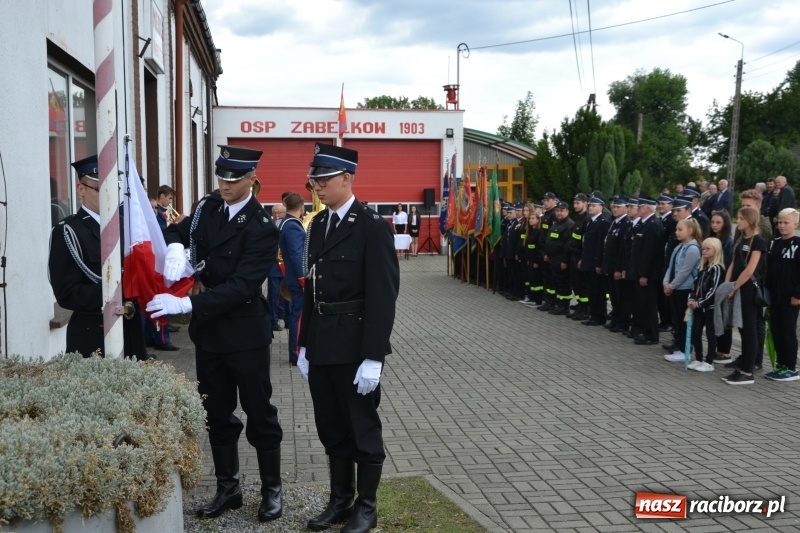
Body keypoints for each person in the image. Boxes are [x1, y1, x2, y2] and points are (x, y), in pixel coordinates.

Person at [146, 145, 284, 522]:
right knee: (217, 411)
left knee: (259, 412)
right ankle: (229, 488)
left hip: (244, 330)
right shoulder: (209, 207)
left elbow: (241, 286)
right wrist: (176, 248)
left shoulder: (261, 226)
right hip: (210, 333)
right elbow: (177, 229)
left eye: (233, 180)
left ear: (251, 180)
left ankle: (271, 489)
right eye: (221, 177)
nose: (224, 185)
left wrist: (187, 304)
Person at [297, 143, 399, 533]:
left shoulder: (371, 226)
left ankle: (366, 507)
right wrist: (304, 344)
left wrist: (374, 356)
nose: (317, 187)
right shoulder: (318, 224)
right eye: (314, 181)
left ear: (346, 178)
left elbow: (383, 296)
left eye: (323, 180)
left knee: (362, 427)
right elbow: (312, 288)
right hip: (322, 340)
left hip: (355, 345)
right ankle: (339, 501)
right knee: (331, 425)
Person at [49, 155, 149, 360]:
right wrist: (117, 290)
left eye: (112, 187)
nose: (108, 194)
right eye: (99, 188)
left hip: (130, 330)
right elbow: (67, 293)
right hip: (92, 333)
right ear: (81, 189)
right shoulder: (68, 231)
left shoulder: (125, 225)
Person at [721, 207, 767, 385]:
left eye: (741, 218)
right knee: (741, 328)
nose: (738, 221)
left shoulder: (758, 241)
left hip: (748, 290)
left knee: (749, 330)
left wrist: (734, 288)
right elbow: (733, 264)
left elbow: (749, 270)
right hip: (737, 288)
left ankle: (748, 371)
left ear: (750, 220)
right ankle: (743, 367)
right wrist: (727, 286)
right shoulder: (741, 239)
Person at [765, 208, 800, 381]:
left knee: (787, 330)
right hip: (775, 296)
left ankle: (791, 367)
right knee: (776, 330)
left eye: (786, 222)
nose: (782, 226)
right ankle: (780, 364)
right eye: (779, 222)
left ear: (795, 224)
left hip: (790, 298)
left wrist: (797, 295)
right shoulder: (775, 243)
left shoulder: (798, 245)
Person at [662, 219, 701, 362]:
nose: (676, 232)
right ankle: (679, 347)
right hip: (675, 288)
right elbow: (671, 266)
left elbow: (685, 271)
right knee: (677, 321)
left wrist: (671, 285)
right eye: (676, 229)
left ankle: (686, 350)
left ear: (690, 231)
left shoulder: (693, 249)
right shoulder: (679, 247)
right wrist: (666, 283)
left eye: (680, 229)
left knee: (684, 321)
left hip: (685, 289)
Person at [629, 197, 664, 346]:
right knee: (641, 303)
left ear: (648, 208)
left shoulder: (653, 224)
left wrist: (644, 274)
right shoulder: (645, 224)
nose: (637, 209)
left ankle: (651, 335)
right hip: (640, 271)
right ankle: (642, 330)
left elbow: (650, 253)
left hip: (648, 274)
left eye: (640, 207)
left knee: (649, 305)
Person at [687, 237, 725, 372]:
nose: (704, 251)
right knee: (696, 332)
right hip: (698, 307)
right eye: (703, 248)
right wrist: (691, 299)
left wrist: (700, 303)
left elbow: (714, 290)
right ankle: (698, 358)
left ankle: (709, 361)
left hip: (710, 308)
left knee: (710, 334)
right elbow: (695, 286)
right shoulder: (703, 268)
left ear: (716, 250)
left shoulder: (717, 269)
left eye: (708, 249)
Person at [279, 192, 307, 365]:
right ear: (301, 207)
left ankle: (297, 351)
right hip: (297, 278)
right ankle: (295, 353)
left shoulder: (287, 223)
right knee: (299, 316)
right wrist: (302, 277)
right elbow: (296, 255)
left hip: (293, 276)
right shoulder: (292, 226)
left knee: (298, 314)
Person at [602, 196, 631, 333]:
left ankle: (622, 323)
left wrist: (619, 268)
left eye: (618, 207)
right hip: (610, 265)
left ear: (626, 208)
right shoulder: (615, 222)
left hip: (617, 266)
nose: (614, 209)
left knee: (621, 297)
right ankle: (615, 319)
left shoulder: (626, 223)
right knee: (614, 296)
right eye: (613, 206)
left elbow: (622, 250)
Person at [580, 196, 610, 325]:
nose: (590, 208)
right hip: (588, 261)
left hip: (595, 263)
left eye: (593, 205)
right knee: (591, 290)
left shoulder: (603, 223)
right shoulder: (590, 221)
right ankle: (593, 314)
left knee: (598, 291)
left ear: (601, 207)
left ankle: (599, 316)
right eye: (590, 205)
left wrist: (599, 263)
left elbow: (601, 246)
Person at [544, 201, 574, 315]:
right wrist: (547, 253)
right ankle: (557, 303)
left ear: (567, 211)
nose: (559, 213)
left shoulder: (569, 225)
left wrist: (564, 260)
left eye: (561, 211)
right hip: (553, 258)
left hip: (561, 259)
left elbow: (567, 245)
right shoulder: (556, 223)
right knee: (556, 283)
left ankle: (564, 306)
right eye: (557, 211)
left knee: (563, 284)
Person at [266, 203, 287, 332]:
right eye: (274, 213)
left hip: (287, 266)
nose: (277, 215)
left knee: (287, 294)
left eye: (280, 213)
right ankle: (272, 321)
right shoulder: (269, 225)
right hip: (274, 267)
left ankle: (284, 315)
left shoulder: (288, 225)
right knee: (273, 296)